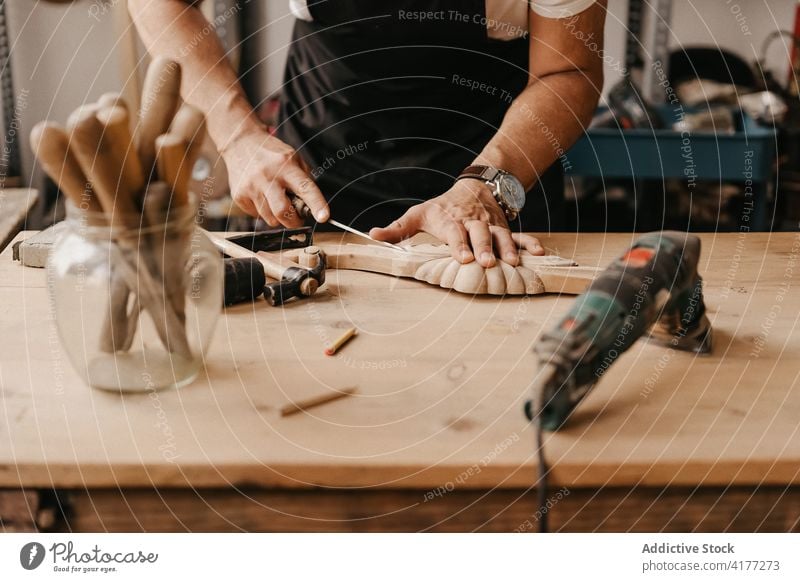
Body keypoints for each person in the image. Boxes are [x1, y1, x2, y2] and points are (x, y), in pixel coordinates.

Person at [129, 0, 606, 267]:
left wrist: (485, 186)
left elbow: (569, 71)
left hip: (495, 158)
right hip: (321, 159)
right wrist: (237, 136)